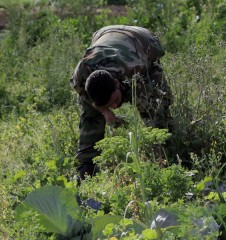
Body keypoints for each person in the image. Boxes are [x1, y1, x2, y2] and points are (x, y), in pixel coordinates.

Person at [70, 25, 173, 179]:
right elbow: (84, 95)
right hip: (104, 34)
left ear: (118, 84)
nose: (113, 106)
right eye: (108, 104)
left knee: (158, 107)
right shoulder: (82, 73)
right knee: (90, 113)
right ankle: (86, 167)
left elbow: (153, 115)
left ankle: (167, 159)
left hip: (143, 41)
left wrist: (158, 144)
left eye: (115, 100)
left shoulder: (135, 72)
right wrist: (104, 111)